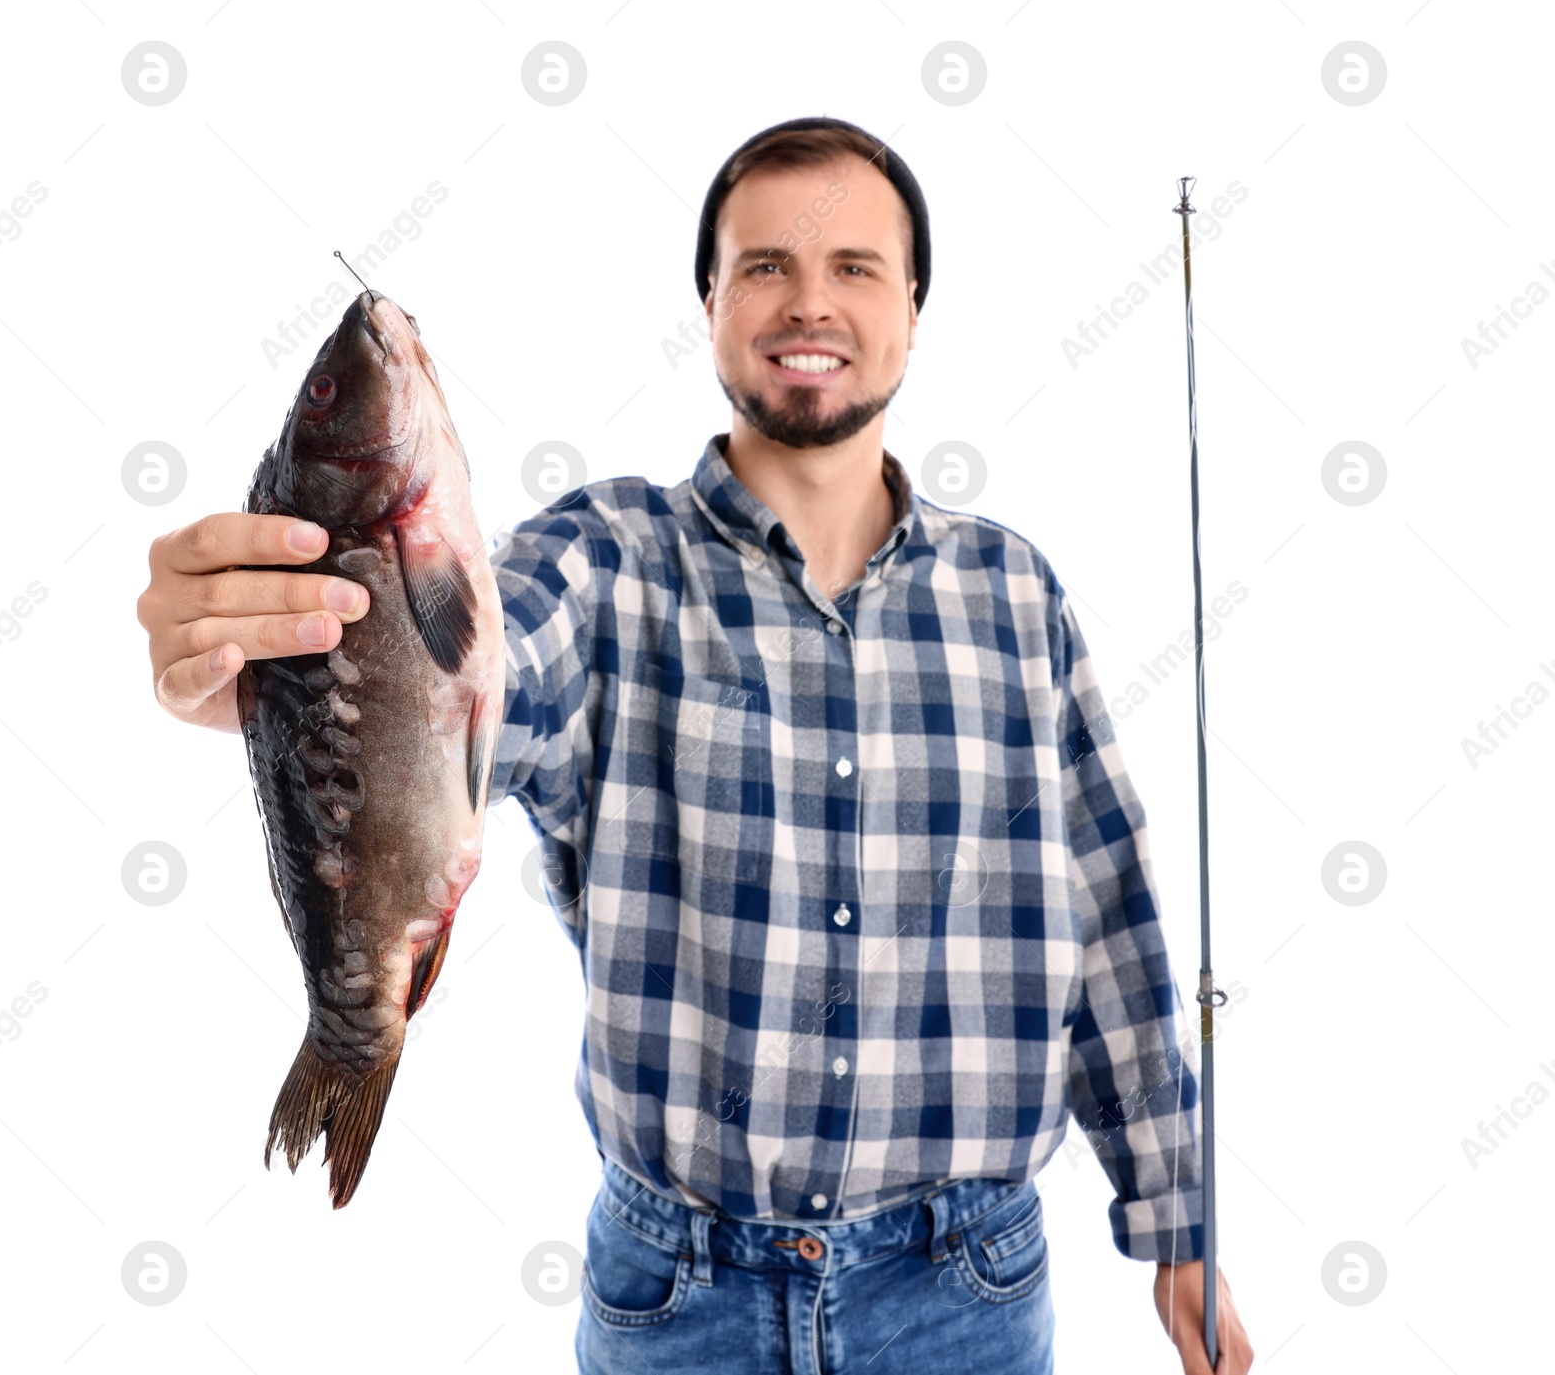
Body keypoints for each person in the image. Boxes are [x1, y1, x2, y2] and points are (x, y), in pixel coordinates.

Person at [136, 117, 1253, 1375]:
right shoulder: (603, 562)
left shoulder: (1015, 594)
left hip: (970, 1292)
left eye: (857, 267)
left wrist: (1179, 1225)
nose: (808, 301)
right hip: (678, 1302)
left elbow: (1107, 911)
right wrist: (269, 668)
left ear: (915, 309)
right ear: (711, 303)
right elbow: (466, 696)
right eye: (764, 265)